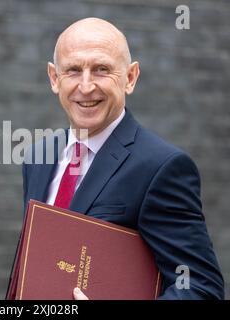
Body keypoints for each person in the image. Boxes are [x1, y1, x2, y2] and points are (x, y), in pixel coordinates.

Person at [22, 17, 224, 299]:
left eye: (102, 69)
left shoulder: (162, 168)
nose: (86, 85)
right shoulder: (38, 157)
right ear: (54, 78)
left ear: (130, 77)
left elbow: (201, 288)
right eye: (73, 70)